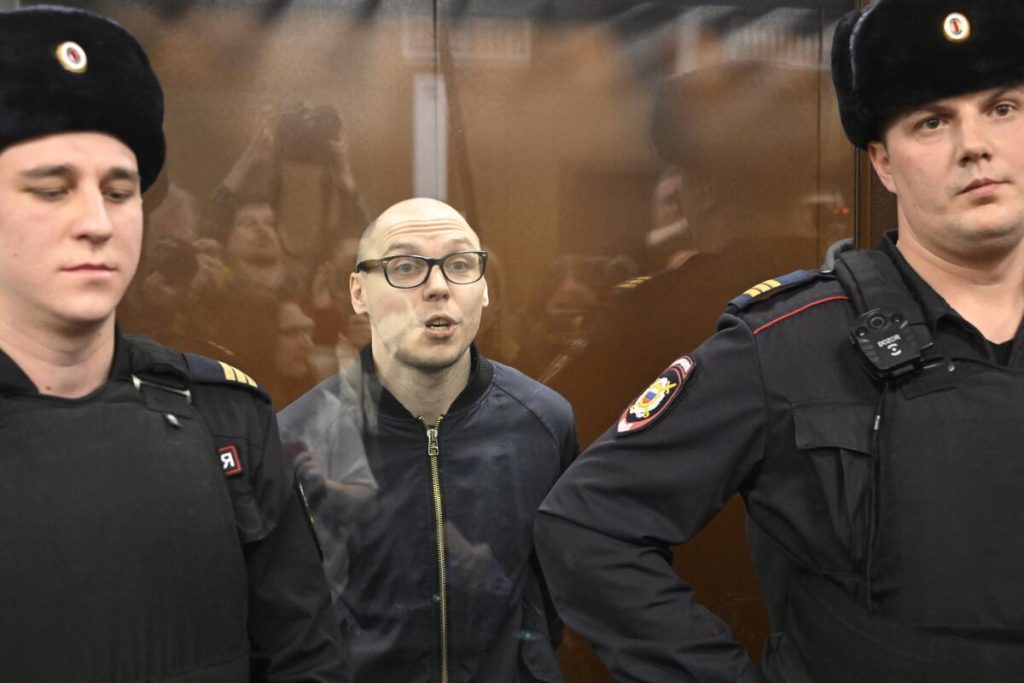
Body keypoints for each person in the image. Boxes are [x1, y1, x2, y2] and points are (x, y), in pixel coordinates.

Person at [535, 1, 1024, 681]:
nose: (975, 144)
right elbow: (588, 524)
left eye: (1003, 108)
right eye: (932, 121)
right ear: (882, 160)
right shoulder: (788, 343)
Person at [0, 7, 344, 681]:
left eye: (119, 191)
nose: (97, 223)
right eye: (52, 189)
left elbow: (306, 659)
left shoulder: (228, 419)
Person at [278, 198, 579, 682]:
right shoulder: (299, 437)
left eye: (459, 265)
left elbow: (557, 595)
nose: (438, 287)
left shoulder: (543, 422)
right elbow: (287, 619)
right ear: (358, 292)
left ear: (484, 289)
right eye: (405, 267)